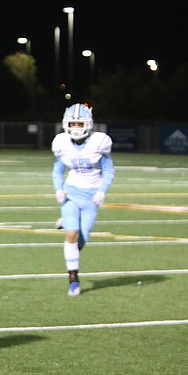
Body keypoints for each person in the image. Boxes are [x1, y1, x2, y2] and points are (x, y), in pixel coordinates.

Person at [52, 103, 114, 296]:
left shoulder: (99, 142)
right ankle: (73, 279)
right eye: (73, 124)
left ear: (88, 124)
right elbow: (58, 170)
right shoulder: (62, 143)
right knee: (72, 235)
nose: (76, 128)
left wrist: (102, 190)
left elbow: (109, 170)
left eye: (80, 124)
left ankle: (69, 225)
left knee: (81, 241)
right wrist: (59, 189)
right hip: (72, 193)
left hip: (91, 197)